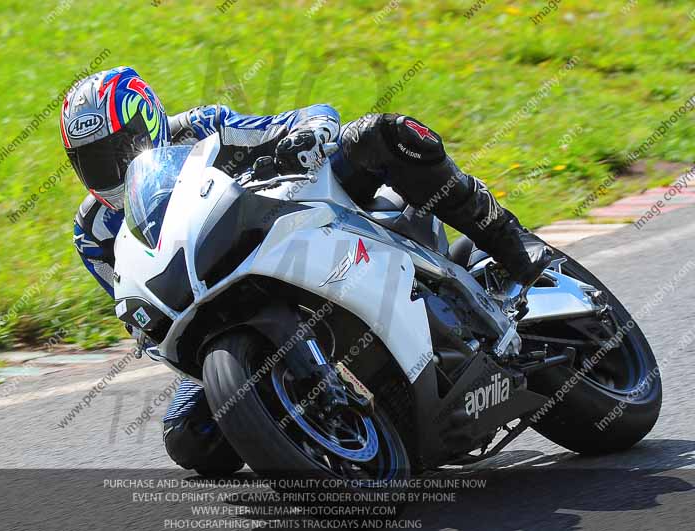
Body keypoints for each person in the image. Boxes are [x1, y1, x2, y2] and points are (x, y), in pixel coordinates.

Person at [61, 66, 551, 474]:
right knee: (191, 440)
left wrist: (306, 137)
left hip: (298, 225)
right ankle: (318, 428)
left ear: (149, 122)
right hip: (214, 307)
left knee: (384, 135)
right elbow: (131, 301)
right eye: (90, 161)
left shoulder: (202, 128)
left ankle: (511, 248)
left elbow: (306, 117)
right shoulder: (93, 231)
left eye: (117, 151)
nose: (110, 171)